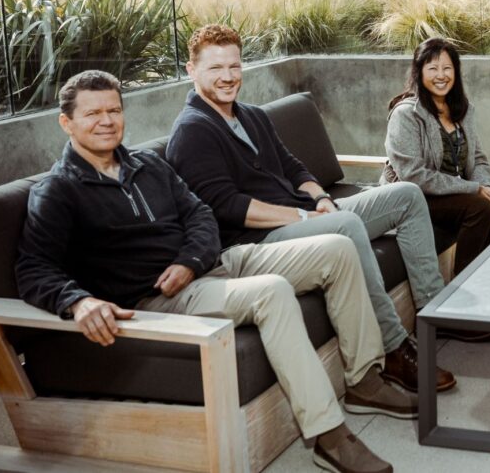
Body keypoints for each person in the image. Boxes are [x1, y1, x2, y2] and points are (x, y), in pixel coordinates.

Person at [16, 70, 412, 473]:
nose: (107, 120)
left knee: (338, 249)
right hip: (159, 298)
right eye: (93, 113)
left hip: (214, 263)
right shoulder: (58, 190)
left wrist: (189, 260)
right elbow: (33, 267)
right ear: (66, 122)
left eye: (114, 110)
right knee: (271, 291)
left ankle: (364, 379)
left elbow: (201, 215)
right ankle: (329, 436)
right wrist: (78, 301)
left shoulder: (147, 165)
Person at [165, 25, 454, 394]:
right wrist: (307, 217)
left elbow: (294, 167)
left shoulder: (250, 115)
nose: (227, 77)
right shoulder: (193, 130)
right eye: (215, 68)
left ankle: (433, 314)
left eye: (234, 67)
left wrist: (321, 200)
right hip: (258, 238)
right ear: (192, 70)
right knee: (346, 226)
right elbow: (227, 207)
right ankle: (394, 346)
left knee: (407, 195)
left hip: (305, 214)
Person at [383, 38, 490, 303]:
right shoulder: (406, 114)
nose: (441, 76)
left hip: (448, 193)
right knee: (480, 208)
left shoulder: (462, 109)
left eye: (447, 68)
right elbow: (413, 175)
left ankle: (476, 278)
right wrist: (474, 189)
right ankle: (458, 297)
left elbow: (477, 158)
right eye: (432, 69)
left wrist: (486, 187)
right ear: (419, 72)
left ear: (456, 71)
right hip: (410, 197)